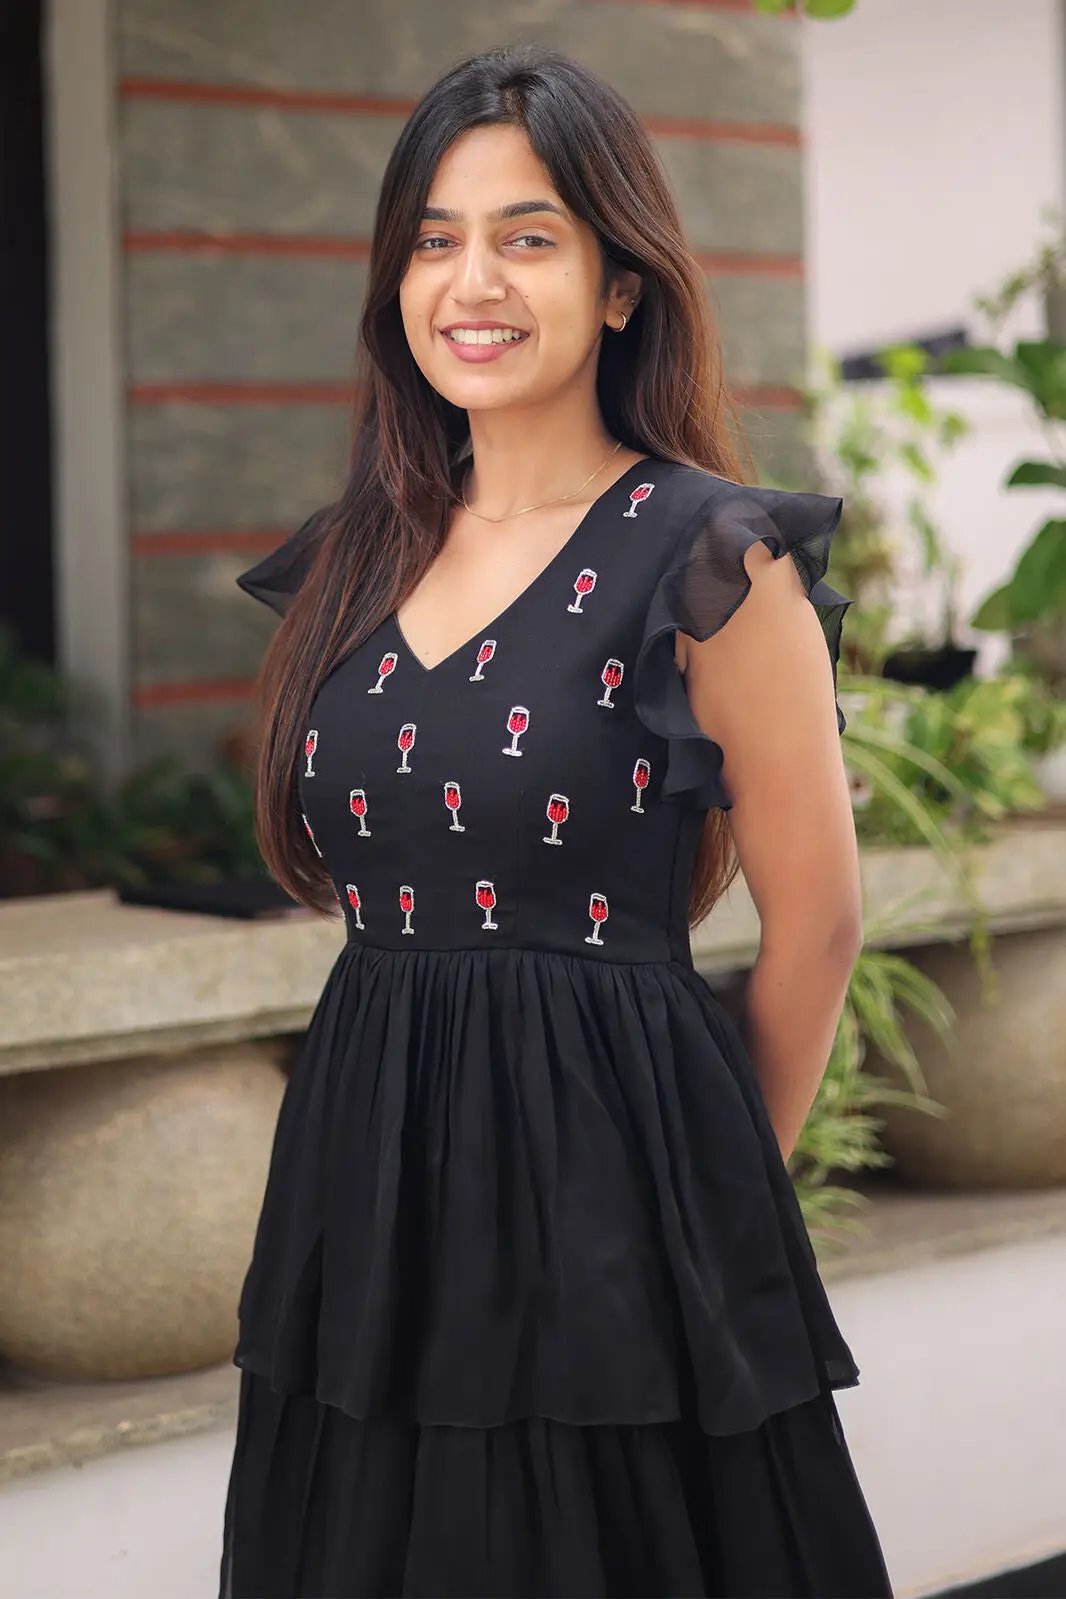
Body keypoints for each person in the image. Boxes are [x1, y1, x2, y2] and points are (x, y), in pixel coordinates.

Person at [218, 42, 893, 1599]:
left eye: (527, 237)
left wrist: (715, 1201)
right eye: (434, 241)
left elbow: (820, 918)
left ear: (615, 285)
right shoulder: (358, 552)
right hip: (365, 1186)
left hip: (621, 1188)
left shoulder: (711, 557)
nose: (473, 280)